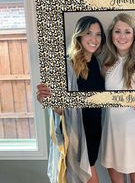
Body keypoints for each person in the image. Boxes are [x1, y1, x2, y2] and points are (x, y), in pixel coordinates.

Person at [37, 16, 106, 183]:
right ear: (79, 36)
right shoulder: (67, 66)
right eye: (89, 33)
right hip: (75, 133)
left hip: (93, 133)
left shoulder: (98, 63)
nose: (94, 39)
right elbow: (62, 110)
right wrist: (47, 100)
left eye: (98, 34)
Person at [100, 13, 135, 183]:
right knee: (114, 174)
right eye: (117, 31)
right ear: (111, 35)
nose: (122, 36)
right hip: (112, 127)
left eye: (127, 31)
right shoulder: (107, 64)